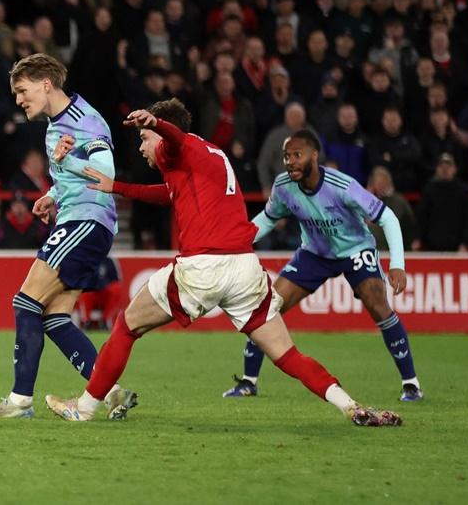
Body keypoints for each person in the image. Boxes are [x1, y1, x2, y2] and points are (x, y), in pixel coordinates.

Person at [57, 100, 402, 426]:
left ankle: (85, 408)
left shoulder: (176, 146)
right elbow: (169, 192)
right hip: (244, 269)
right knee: (287, 354)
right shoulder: (209, 154)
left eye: (144, 138)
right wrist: (115, 186)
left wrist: (157, 124)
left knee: (125, 326)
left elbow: (173, 140)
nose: (141, 147)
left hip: (204, 267)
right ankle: (351, 406)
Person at [0, 53, 136, 419]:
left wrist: (68, 163)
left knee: (25, 302)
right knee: (54, 317)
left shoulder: (85, 120)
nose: (18, 99)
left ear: (46, 84)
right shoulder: (54, 125)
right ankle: (110, 393)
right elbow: (69, 177)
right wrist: (53, 194)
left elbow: (105, 171)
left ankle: (19, 402)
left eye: (22, 90)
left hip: (86, 222)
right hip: (80, 219)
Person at [222, 130, 421, 402]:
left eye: (297, 155)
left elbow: (388, 218)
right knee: (267, 306)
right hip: (314, 254)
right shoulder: (283, 186)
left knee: (378, 305)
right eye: (286, 156)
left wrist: (397, 264)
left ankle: (411, 384)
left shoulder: (342, 186)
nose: (290, 161)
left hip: (355, 251)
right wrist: (235, 241)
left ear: (314, 156)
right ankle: (248, 382)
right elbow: (268, 219)